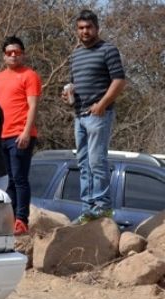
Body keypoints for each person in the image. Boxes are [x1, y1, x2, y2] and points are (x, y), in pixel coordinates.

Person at [65, 9, 126, 224]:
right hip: (79, 115)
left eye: (88, 27)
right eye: (81, 28)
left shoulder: (108, 50)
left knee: (96, 160)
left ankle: (103, 207)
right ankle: (87, 208)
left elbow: (119, 81)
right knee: (83, 163)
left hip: (98, 114)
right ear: (77, 31)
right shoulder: (76, 54)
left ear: (97, 28)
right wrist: (68, 93)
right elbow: (73, 82)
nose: (85, 31)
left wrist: (102, 104)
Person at [0, 36, 42, 235]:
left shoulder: (29, 75)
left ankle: (22, 219)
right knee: (8, 180)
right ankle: (11, 218)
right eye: (9, 53)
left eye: (17, 52)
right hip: (1, 135)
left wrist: (26, 132)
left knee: (20, 178)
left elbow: (33, 106)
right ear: (4, 56)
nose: (13, 56)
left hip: (20, 134)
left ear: (23, 54)